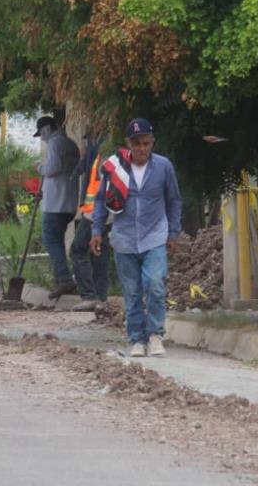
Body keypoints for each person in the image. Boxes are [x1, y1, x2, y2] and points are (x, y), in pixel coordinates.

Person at [90, 118, 181, 357]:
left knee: (154, 284)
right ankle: (136, 339)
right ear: (128, 143)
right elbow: (100, 200)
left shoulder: (163, 167)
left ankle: (155, 335)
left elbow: (173, 200)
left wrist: (173, 232)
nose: (142, 149)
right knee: (131, 292)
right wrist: (97, 230)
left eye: (147, 143)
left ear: (153, 143)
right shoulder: (116, 168)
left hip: (155, 236)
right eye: (137, 144)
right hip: (124, 239)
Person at [34, 115, 80, 299]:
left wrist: (39, 168)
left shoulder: (55, 143)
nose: (42, 138)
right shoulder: (71, 145)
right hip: (68, 203)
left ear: (46, 129)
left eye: (42, 134)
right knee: (57, 241)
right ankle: (63, 279)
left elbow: (53, 168)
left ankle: (64, 279)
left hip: (55, 204)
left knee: (51, 240)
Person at [70, 135, 112, 311]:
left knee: (78, 249)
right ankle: (100, 297)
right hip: (102, 212)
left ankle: (89, 296)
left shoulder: (106, 156)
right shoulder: (100, 153)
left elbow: (104, 186)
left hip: (97, 213)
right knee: (100, 253)